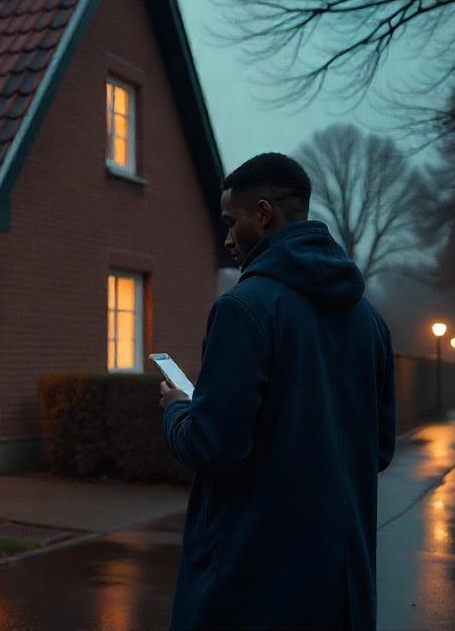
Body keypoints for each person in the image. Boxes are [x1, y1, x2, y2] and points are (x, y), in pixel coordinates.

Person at [159, 152, 396, 631]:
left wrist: (177, 411)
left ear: (263, 214)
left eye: (231, 222)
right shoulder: (369, 320)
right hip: (340, 589)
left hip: (252, 586)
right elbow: (380, 449)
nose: (226, 239)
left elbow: (214, 445)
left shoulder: (243, 310)